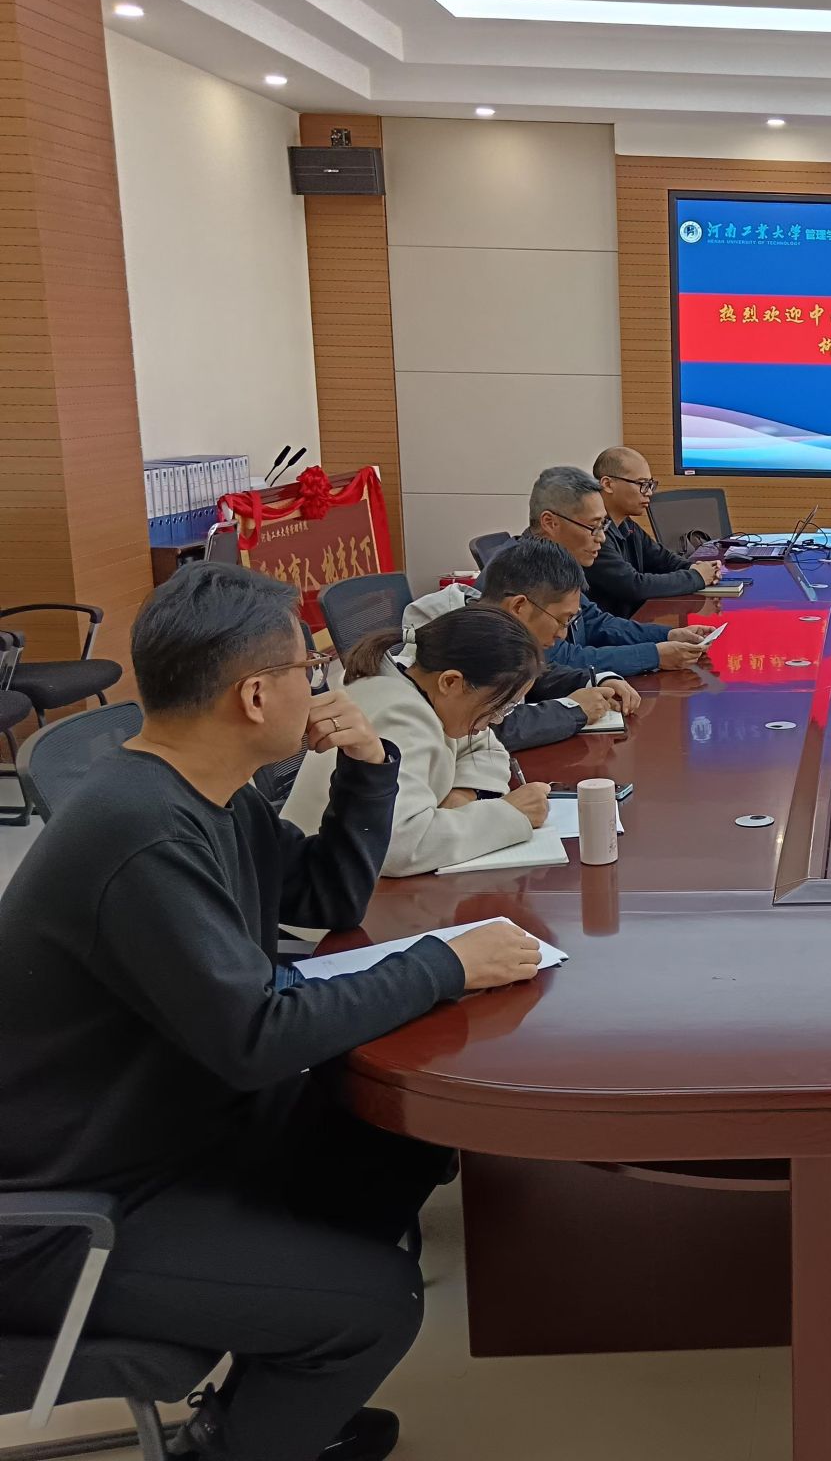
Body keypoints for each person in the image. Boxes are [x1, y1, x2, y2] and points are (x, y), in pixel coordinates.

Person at [0, 563, 542, 1461]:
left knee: (392, 1134)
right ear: (255, 696)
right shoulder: (140, 835)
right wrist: (441, 964)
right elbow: (257, 1037)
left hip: (167, 1131)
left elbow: (325, 896)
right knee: (377, 1305)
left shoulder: (203, 794)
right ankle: (243, 1429)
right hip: (73, 1205)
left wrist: (369, 768)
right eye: (308, 669)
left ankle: (275, 1391)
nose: (323, 683)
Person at [282, 606, 549, 877]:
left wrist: (464, 794)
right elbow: (398, 846)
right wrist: (509, 814)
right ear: (451, 682)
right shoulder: (400, 717)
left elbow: (486, 748)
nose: (497, 719)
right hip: (321, 883)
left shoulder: (423, 690)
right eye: (499, 706)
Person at [403, 537, 644, 752]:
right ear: (519, 606)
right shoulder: (451, 632)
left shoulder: (498, 630)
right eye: (561, 620)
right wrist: (575, 710)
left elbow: (533, 675)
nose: (563, 634)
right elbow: (486, 728)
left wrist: (595, 680)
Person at [526, 466, 706, 677]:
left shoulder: (559, 563)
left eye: (603, 526)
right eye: (593, 527)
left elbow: (596, 624)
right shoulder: (525, 575)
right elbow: (560, 660)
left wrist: (669, 635)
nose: (602, 537)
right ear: (550, 523)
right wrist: (654, 655)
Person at [584, 444, 726, 618]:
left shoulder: (628, 526)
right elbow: (634, 586)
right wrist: (696, 577)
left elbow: (663, 560)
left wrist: (698, 568)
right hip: (610, 629)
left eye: (650, 485)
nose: (649, 492)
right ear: (608, 484)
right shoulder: (592, 533)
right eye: (642, 484)